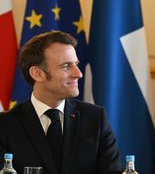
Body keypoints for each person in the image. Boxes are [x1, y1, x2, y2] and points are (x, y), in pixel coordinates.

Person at [0, 30, 121, 174]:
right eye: (66, 66)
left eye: (76, 64)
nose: (78, 73)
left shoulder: (96, 119)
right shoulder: (5, 126)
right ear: (37, 73)